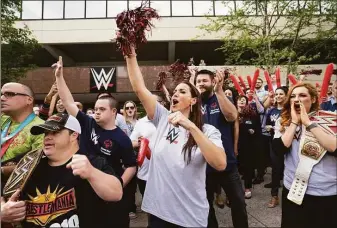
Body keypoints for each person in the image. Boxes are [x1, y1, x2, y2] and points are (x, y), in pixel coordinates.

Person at [125, 46, 226, 227]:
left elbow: (220, 164)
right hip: (158, 213)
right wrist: (130, 55)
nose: (176, 94)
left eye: (182, 91)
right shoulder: (163, 119)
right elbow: (140, 89)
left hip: (190, 217)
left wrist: (192, 128)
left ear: (193, 101)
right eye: (175, 91)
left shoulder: (208, 131)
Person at [53, 57, 137, 227]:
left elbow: (131, 166)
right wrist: (59, 77)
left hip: (108, 191)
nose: (97, 112)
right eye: (96, 108)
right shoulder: (87, 122)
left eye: (102, 109)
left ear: (114, 112)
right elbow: (68, 102)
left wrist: (119, 183)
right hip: (82, 187)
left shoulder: (122, 139)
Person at [1, 113, 123, 227]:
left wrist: (92, 173)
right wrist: (2, 210)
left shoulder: (92, 163)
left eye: (54, 132)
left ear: (73, 135)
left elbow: (116, 193)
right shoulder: (29, 162)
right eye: (45, 133)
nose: (47, 137)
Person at [273, 83, 337, 228]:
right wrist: (295, 122)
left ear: (313, 99)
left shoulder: (332, 120)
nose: (297, 99)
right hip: (294, 190)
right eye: (293, 96)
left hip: (325, 193)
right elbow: (279, 150)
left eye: (302, 95)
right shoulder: (284, 121)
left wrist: (308, 123)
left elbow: (334, 148)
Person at [195, 70, 248, 228]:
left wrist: (219, 90)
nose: (201, 84)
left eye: (205, 80)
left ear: (212, 82)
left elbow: (232, 117)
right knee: (205, 205)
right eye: (198, 81)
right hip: (203, 165)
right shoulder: (193, 103)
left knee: (238, 203)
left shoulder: (220, 98)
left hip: (227, 164)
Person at [1, 83, 44, 180]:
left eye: (10, 94)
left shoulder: (40, 128)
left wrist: (3, 170)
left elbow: (37, 165)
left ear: (29, 100)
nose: (2, 98)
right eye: (2, 94)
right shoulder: (3, 120)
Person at [264, 87, 288, 207]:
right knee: (275, 169)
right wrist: (269, 127)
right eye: (276, 94)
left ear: (286, 96)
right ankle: (274, 196)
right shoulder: (272, 111)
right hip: (275, 143)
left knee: (289, 169)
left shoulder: (290, 110)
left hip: (290, 143)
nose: (278, 96)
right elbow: (268, 124)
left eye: (281, 94)